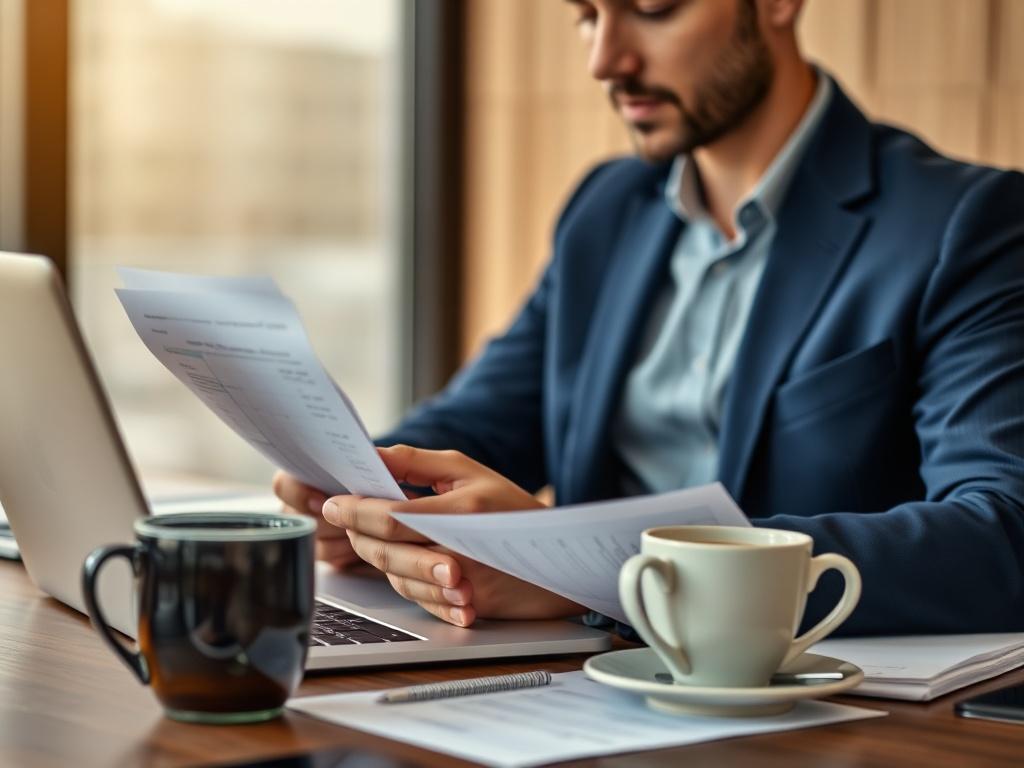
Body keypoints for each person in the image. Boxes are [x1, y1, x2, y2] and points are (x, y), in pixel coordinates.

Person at [274, 0, 1024, 635]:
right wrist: (362, 495)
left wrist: (601, 570)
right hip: (572, 683)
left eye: (653, 8)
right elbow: (484, 421)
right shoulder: (606, 209)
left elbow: (1001, 533)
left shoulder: (966, 223)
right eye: (587, 14)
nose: (605, 59)